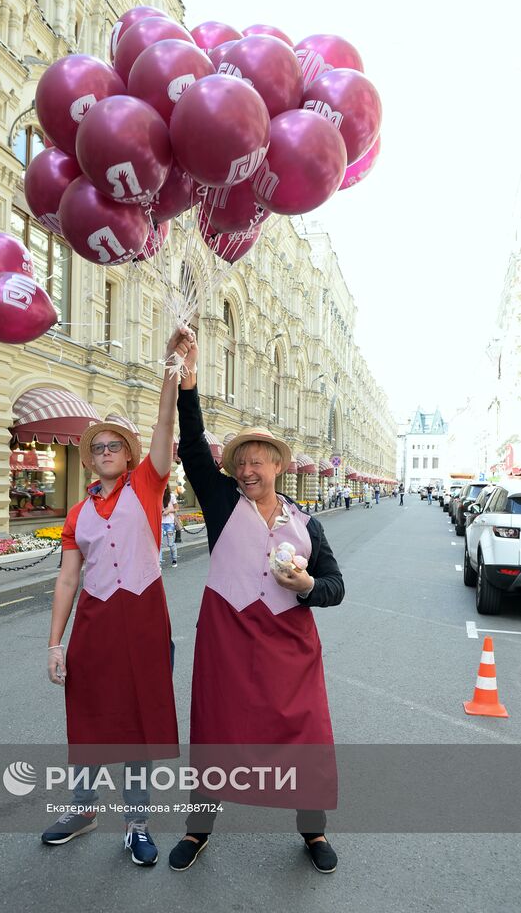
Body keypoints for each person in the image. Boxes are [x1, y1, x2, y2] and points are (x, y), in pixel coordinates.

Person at [168, 338, 344, 875]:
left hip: (292, 651)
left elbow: (336, 585)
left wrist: (308, 584)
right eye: (240, 462)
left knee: (306, 735)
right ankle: (199, 830)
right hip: (229, 643)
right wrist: (189, 384)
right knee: (217, 734)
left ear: (276, 467)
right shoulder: (223, 504)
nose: (247, 470)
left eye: (257, 462)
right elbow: (194, 448)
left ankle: (312, 831)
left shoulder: (305, 522)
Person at [41, 327, 193, 866]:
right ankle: (83, 809)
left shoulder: (148, 484)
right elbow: (66, 580)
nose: (105, 452)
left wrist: (171, 368)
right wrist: (55, 644)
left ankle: (136, 824)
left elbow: (163, 425)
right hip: (96, 625)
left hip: (145, 621)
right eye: (97, 447)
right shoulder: (78, 514)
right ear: (88, 460)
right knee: (86, 722)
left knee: (135, 727)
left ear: (128, 456)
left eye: (114, 446)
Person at [160, 484, 178, 568]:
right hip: (159, 522)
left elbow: (177, 508)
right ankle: (159, 563)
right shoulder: (157, 494)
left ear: (166, 486)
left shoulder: (171, 496)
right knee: (159, 543)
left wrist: (169, 510)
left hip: (170, 522)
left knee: (171, 543)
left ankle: (174, 560)